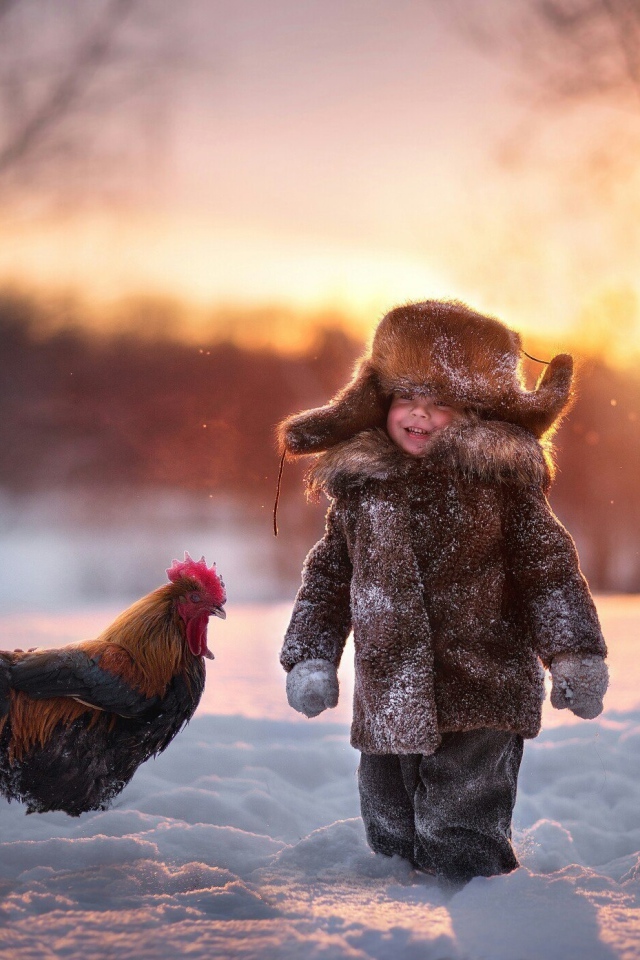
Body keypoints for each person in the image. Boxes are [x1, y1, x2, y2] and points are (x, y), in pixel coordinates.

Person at [278, 299, 608, 885]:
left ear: (478, 412)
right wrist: (310, 655)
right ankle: (394, 911)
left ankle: (475, 910)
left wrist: (573, 652)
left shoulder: (502, 489)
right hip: (388, 693)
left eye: (442, 404)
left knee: (461, 829)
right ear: (379, 403)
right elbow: (328, 581)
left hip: (482, 686)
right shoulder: (362, 491)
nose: (419, 416)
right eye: (406, 399)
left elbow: (548, 575)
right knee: (389, 828)